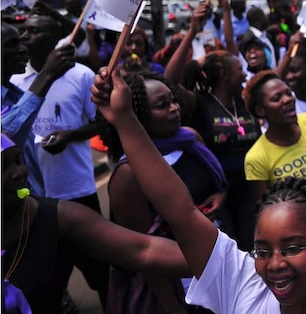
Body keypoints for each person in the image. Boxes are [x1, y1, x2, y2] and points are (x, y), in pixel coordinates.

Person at [89, 68, 306, 313]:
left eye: (292, 248)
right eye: (261, 251)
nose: (275, 264)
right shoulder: (243, 283)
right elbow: (181, 212)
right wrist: (125, 119)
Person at [1, 133, 190, 314]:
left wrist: (212, 257)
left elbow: (143, 249)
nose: (18, 173)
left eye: (18, 161)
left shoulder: (59, 218)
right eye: (3, 167)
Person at [97, 71, 228, 312]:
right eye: (162, 105)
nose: (174, 108)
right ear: (139, 115)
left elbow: (217, 184)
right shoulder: (129, 175)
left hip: (216, 253)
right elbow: (143, 251)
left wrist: (219, 198)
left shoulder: (190, 138)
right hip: (180, 278)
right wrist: (171, 306)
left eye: (173, 100)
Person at [10, 13, 109, 306]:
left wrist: (70, 136)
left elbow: (101, 124)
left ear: (56, 39)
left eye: (34, 32)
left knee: (101, 272)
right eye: (23, 31)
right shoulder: (14, 79)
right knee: (45, 278)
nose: (25, 37)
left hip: (77, 190)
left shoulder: (81, 75)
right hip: (34, 196)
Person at [164, 11, 260, 251]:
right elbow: (169, 81)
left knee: (252, 252)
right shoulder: (200, 103)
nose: (245, 74)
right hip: (217, 196)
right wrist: (191, 33)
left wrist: (227, 12)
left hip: (250, 192)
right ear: (226, 75)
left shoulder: (245, 100)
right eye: (240, 70)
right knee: (227, 255)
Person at [1, 23, 75, 197]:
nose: (23, 49)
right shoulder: (31, 91)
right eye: (11, 44)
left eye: (21, 42)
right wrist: (46, 76)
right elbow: (3, 139)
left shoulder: (16, 96)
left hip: (30, 203)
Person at [242, 71, 306, 201]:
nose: (288, 99)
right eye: (276, 98)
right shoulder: (256, 158)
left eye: (288, 93)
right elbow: (266, 207)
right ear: (260, 110)